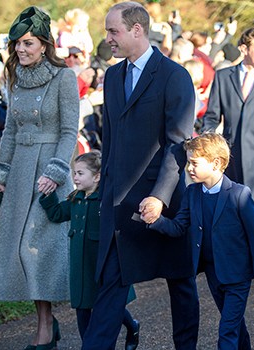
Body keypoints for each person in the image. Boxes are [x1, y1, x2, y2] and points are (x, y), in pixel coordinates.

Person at [81, 2, 198, 350]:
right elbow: (112, 140)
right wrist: (105, 192)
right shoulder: (113, 76)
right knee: (110, 285)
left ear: (137, 30)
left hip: (166, 201)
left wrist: (160, 198)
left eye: (113, 31)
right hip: (120, 203)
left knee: (181, 283)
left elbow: (178, 144)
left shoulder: (175, 76)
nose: (108, 39)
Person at [0, 6, 79, 350]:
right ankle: (45, 323)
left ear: (43, 44)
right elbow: (9, 131)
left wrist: (56, 172)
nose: (20, 50)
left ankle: (46, 326)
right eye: (16, 44)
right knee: (21, 252)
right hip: (21, 172)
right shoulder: (16, 78)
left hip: (49, 175)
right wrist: (0, 175)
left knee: (39, 250)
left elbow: (70, 130)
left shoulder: (63, 77)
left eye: (27, 43)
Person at [143, 132, 254, 350]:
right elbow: (178, 227)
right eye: (188, 162)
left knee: (227, 332)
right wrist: (156, 220)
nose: (189, 168)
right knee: (234, 324)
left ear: (216, 163)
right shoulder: (192, 193)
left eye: (194, 163)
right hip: (214, 273)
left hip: (237, 274)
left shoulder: (239, 194)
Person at [39, 150, 140, 349]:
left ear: (96, 176)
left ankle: (132, 326)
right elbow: (57, 214)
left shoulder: (104, 200)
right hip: (80, 265)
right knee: (83, 307)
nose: (74, 178)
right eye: (74, 173)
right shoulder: (75, 199)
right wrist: (48, 195)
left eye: (80, 173)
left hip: (100, 264)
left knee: (109, 306)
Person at [202, 27, 254, 216]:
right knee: (230, 205)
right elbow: (212, 116)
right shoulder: (222, 77)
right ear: (244, 49)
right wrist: (208, 146)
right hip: (230, 151)